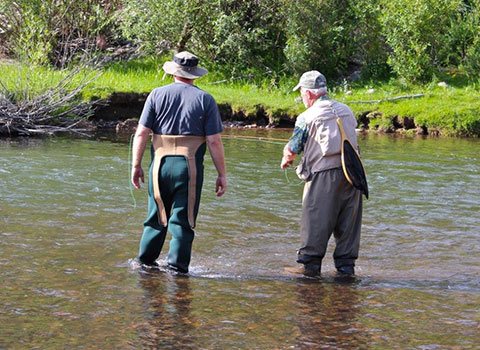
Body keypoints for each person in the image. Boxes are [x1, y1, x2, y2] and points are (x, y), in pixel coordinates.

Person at [131, 51, 227, 273]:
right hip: (189, 168)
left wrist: (136, 166)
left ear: (173, 72)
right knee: (183, 219)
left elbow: (141, 133)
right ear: (194, 75)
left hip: (159, 167)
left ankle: (144, 263)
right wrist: (222, 174)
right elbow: (213, 141)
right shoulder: (206, 100)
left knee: (155, 216)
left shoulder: (156, 95)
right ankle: (177, 269)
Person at [281, 70, 363, 277]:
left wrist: (286, 158)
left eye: (301, 93)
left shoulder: (307, 116)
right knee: (348, 223)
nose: (301, 97)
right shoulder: (346, 110)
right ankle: (345, 270)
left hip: (324, 175)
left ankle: (309, 269)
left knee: (315, 220)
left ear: (308, 94)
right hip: (353, 174)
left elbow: (294, 147)